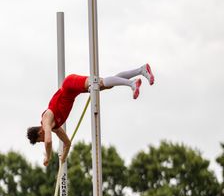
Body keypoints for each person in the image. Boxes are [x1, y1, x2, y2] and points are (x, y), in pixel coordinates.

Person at [27, 64, 155, 167]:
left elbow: (49, 141)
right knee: (105, 84)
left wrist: (47, 157)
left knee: (100, 83)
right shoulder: (56, 128)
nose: (43, 140)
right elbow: (67, 143)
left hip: (69, 84)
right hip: (72, 92)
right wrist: (63, 159)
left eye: (40, 140)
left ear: (39, 132)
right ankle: (141, 70)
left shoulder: (46, 119)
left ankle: (132, 83)